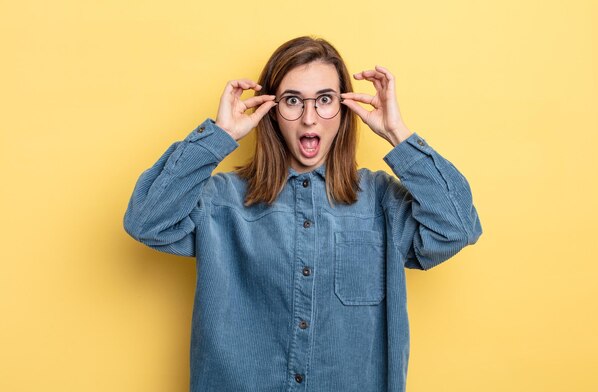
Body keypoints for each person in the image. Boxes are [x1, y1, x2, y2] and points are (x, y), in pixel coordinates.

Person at [123, 36, 482, 392]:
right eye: (292, 101)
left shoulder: (381, 201)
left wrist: (397, 134)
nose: (309, 118)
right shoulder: (221, 201)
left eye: (325, 100)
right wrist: (218, 136)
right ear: (271, 109)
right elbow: (147, 220)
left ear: (344, 108)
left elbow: (457, 228)